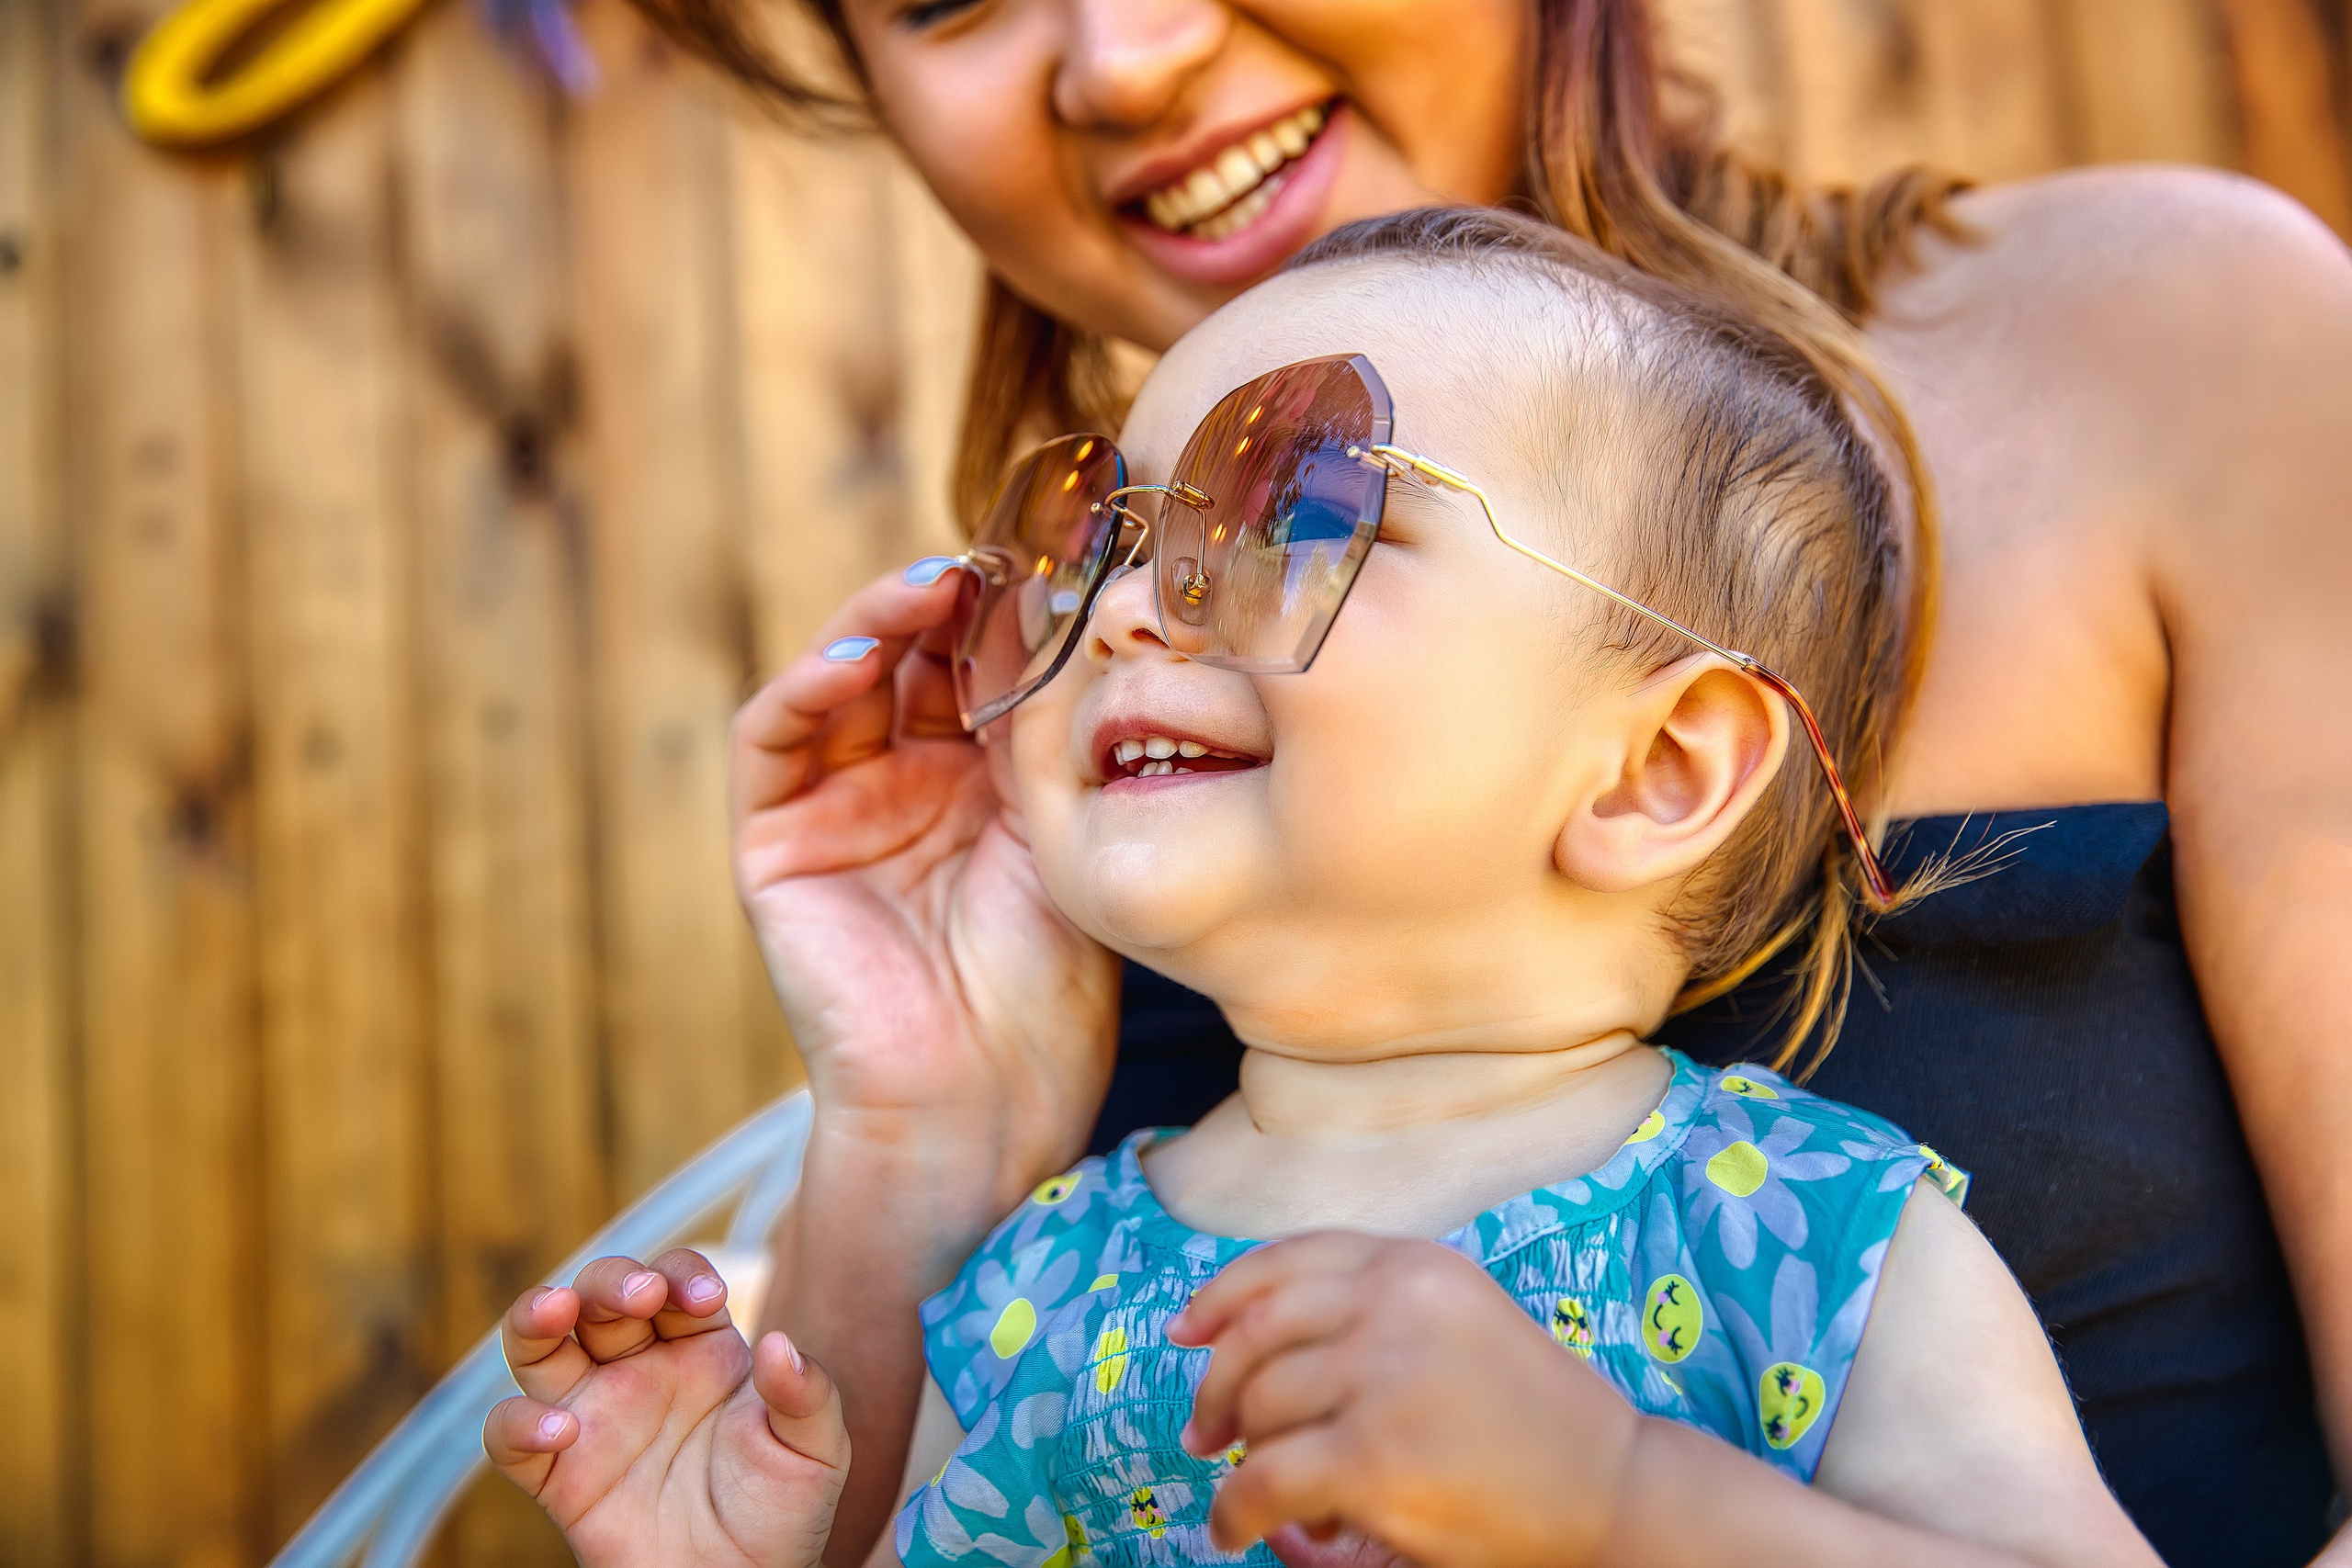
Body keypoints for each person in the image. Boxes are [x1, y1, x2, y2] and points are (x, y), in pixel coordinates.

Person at [627, 3, 2352, 1562]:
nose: (1125, 54)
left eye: (1308, 506)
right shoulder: (1054, 1257)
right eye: (1114, 539)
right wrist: (926, 1114)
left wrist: (1620, 1508)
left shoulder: (1817, 1236)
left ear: (1670, 762)